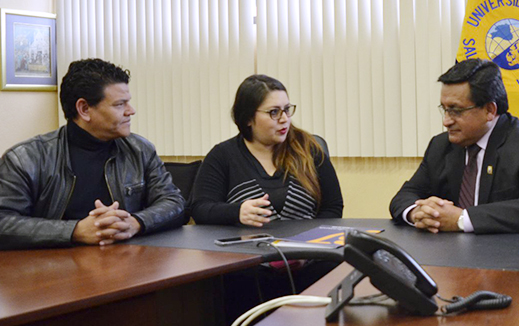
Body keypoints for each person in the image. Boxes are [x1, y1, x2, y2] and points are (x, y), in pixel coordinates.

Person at [0, 58, 185, 250]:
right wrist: (75, 231)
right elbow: (3, 222)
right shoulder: (24, 158)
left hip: (126, 264)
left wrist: (135, 223)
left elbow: (174, 203)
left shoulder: (140, 150)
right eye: (120, 104)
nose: (131, 111)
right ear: (84, 109)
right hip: (49, 270)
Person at [389, 58, 519, 234]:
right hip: (447, 254)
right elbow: (404, 196)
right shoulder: (440, 146)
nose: (446, 121)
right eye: (445, 109)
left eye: (456, 110)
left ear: (489, 111)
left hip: (504, 256)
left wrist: (462, 219)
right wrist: (418, 213)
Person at [191, 74, 343, 225]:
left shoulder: (307, 149)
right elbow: (200, 209)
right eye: (274, 112)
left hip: (306, 245)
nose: (284, 119)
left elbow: (333, 207)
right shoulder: (222, 156)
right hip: (245, 246)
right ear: (248, 118)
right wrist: (236, 212)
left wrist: (313, 239)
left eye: (287, 109)